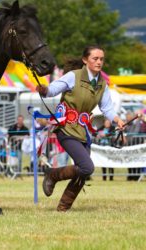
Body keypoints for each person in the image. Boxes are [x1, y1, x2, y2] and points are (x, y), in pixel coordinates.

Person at [37, 45, 125, 212]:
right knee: (87, 167)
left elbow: (107, 108)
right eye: (95, 59)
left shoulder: (102, 84)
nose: (99, 62)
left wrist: (117, 119)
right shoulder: (73, 76)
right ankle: (53, 174)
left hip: (83, 131)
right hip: (66, 128)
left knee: (83, 173)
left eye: (101, 59)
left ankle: (63, 208)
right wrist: (44, 89)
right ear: (85, 60)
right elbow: (53, 90)